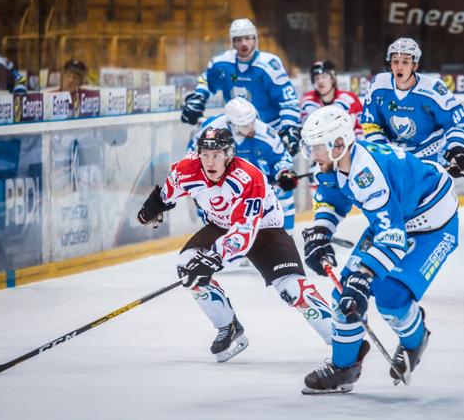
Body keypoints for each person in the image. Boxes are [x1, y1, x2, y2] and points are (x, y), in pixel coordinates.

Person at [299, 106, 459, 394]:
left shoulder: (366, 173)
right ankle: (344, 367)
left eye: (316, 147)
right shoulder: (333, 163)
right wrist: (321, 232)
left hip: (431, 224)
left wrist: (365, 275)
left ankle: (415, 340)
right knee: (344, 294)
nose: (312, 154)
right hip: (396, 215)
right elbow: (331, 198)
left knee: (391, 298)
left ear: (338, 144)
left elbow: (392, 236)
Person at [137, 127, 332, 363]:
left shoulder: (248, 177)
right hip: (220, 224)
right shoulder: (186, 169)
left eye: (216, 154)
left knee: (292, 289)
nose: (209, 161)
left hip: (263, 228)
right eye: (205, 154)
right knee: (187, 265)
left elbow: (243, 233)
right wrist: (155, 206)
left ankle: (342, 339)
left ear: (228, 155)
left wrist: (213, 259)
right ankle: (227, 326)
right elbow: (169, 191)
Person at [181, 18, 302, 156]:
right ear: (232, 42)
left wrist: (289, 126)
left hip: (268, 132)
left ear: (255, 39)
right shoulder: (222, 64)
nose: (244, 43)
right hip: (236, 130)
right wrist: (198, 97)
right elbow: (206, 80)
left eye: (248, 38)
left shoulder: (269, 64)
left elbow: (288, 100)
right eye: (238, 39)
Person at [361, 37, 464, 178]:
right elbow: (370, 122)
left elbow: (457, 122)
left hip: (430, 154)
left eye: (405, 62)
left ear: (415, 66)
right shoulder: (379, 85)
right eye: (395, 61)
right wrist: (383, 153)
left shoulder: (433, 89)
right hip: (395, 157)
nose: (399, 67)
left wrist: (456, 149)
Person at [187, 97, 299, 235]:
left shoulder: (264, 132)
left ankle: (285, 241)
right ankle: (226, 244)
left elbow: (280, 156)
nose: (252, 127)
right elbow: (192, 160)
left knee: (283, 193)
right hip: (224, 182)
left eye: (253, 121)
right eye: (246, 125)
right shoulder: (211, 134)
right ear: (232, 124)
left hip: (256, 178)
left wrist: (284, 173)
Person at [299, 60, 363, 138]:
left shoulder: (349, 100)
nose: (320, 81)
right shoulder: (307, 101)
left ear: (333, 79)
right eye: (316, 78)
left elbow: (361, 129)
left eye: (324, 76)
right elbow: (301, 128)